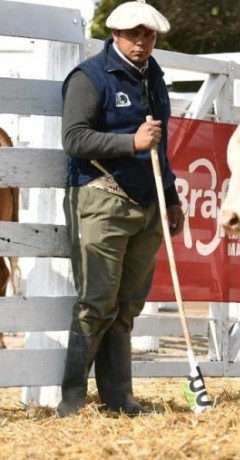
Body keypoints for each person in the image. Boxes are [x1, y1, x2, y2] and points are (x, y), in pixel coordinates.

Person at [57, 1, 183, 417]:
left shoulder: (154, 77)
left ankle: (117, 400)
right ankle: (72, 403)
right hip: (101, 198)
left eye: (148, 35)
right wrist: (130, 143)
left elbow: (159, 147)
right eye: (134, 34)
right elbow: (75, 139)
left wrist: (171, 195)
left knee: (128, 305)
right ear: (115, 33)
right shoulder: (89, 77)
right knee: (97, 301)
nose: (141, 42)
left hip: (147, 205)